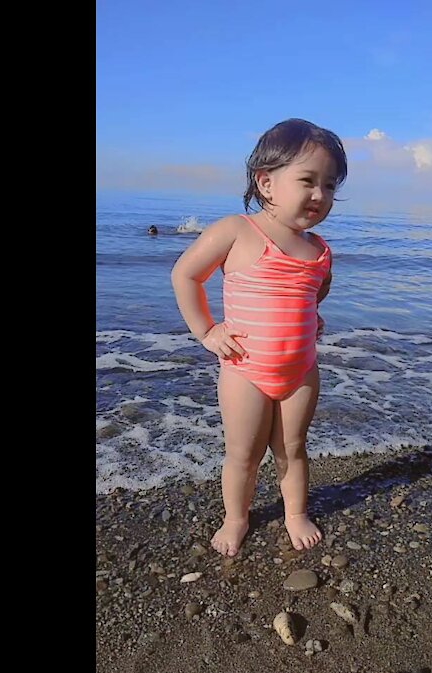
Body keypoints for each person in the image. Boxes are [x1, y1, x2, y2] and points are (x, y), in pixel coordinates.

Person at [171, 118, 346, 557]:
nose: (319, 195)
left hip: (301, 370)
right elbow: (185, 274)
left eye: (330, 186)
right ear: (266, 182)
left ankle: (294, 513)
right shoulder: (236, 230)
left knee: (293, 448)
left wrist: (311, 317)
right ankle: (237, 518)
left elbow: (314, 291)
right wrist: (207, 330)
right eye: (307, 180)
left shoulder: (320, 250)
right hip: (245, 369)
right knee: (243, 454)